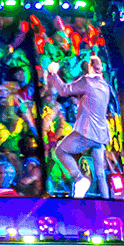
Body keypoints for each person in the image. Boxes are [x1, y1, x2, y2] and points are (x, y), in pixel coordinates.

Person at [46, 55, 112, 198]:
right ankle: (108, 201)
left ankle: (79, 179)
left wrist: (52, 74)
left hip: (88, 131)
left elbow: (64, 90)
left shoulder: (87, 81)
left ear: (90, 67)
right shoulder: (105, 85)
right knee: (100, 174)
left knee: (60, 151)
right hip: (101, 134)